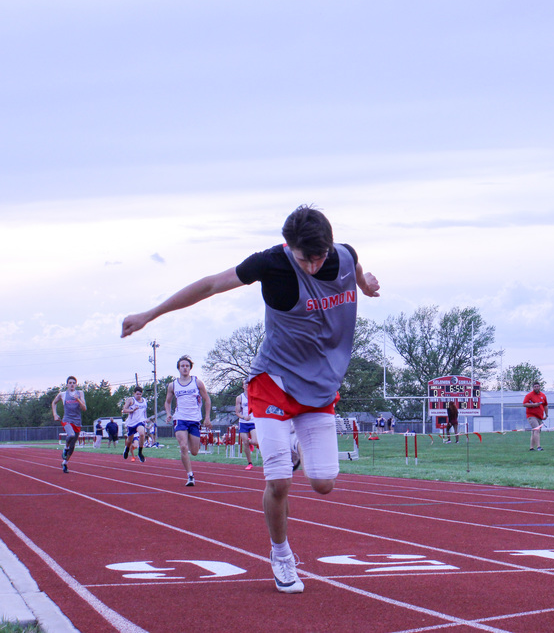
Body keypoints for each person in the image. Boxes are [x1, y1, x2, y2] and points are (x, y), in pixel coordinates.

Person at [121, 205, 380, 594]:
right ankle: (281, 554)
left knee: (324, 483)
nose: (312, 266)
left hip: (319, 387)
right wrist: (150, 314)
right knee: (279, 480)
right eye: (304, 259)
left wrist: (364, 283)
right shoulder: (270, 263)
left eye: (319, 257)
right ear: (288, 247)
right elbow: (211, 285)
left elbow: (355, 266)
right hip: (273, 381)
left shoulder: (343, 254)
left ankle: (292, 447)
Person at [163, 355, 212, 486]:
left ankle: (191, 444)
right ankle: (190, 476)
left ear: (190, 368)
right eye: (182, 366)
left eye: (187, 366)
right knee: (183, 446)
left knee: (194, 451)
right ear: (178, 368)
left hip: (194, 419)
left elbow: (207, 399)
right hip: (180, 418)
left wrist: (207, 417)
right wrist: (168, 414)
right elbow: (167, 402)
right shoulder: (173, 385)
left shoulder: (197, 382)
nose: (184, 368)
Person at [51, 376, 87, 473]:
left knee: (72, 446)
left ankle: (65, 463)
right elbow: (54, 403)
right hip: (67, 420)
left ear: (76, 384)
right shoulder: (62, 394)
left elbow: (84, 408)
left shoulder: (80, 393)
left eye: (73, 383)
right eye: (70, 383)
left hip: (77, 422)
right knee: (71, 435)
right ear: (67, 385)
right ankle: (65, 448)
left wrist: (78, 399)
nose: (72, 384)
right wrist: (55, 414)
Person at [122, 386, 149, 462]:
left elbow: (144, 411)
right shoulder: (131, 400)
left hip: (140, 421)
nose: (138, 396)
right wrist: (132, 410)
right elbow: (124, 410)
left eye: (140, 394)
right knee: (129, 440)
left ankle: (140, 452)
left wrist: (145, 419)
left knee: (142, 434)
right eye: (137, 394)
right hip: (132, 422)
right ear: (134, 393)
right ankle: (127, 449)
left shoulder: (144, 401)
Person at [523, 382, 548, 451]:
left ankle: (531, 447)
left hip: (540, 416)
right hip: (531, 415)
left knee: (535, 431)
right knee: (536, 429)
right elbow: (524, 404)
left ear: (539, 387)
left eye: (537, 386)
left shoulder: (543, 395)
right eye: (535, 387)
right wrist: (534, 405)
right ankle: (538, 447)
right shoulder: (529, 395)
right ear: (533, 388)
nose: (536, 388)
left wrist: (546, 414)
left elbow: (545, 405)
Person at [235, 391, 256, 470]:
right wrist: (244, 417)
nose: (247, 385)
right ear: (243, 386)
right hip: (243, 422)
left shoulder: (255, 395)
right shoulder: (239, 397)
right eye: (245, 385)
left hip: (253, 421)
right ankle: (250, 463)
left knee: (255, 442)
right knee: (245, 443)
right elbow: (237, 412)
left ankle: (250, 442)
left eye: (248, 384)